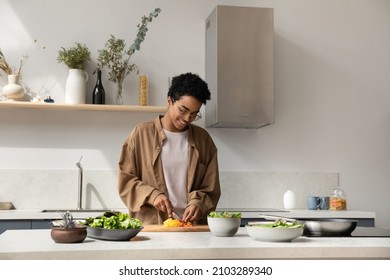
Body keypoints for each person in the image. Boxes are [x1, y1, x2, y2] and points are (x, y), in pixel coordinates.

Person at [118, 72, 221, 225]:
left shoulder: (203, 140)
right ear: (169, 101)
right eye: (183, 110)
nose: (187, 118)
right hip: (152, 228)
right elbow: (125, 182)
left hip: (192, 228)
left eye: (194, 114)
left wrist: (197, 203)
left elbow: (211, 188)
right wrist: (152, 195)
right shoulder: (141, 134)